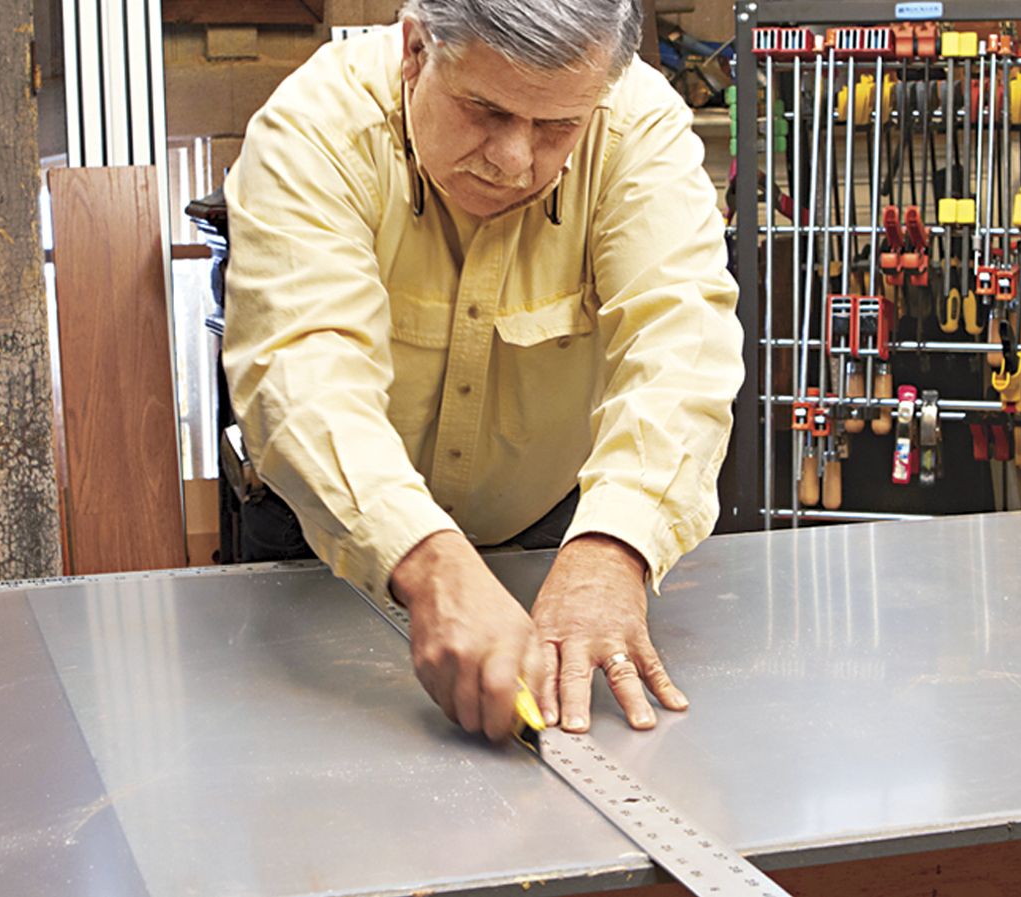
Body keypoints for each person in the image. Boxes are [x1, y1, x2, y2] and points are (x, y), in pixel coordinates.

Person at [222, 0, 742, 743]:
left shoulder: (636, 126)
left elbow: (680, 344)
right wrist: (431, 566)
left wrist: (611, 550)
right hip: (328, 546)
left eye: (558, 127)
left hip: (554, 538)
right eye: (485, 110)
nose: (515, 160)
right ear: (414, 49)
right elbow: (305, 373)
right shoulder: (313, 129)